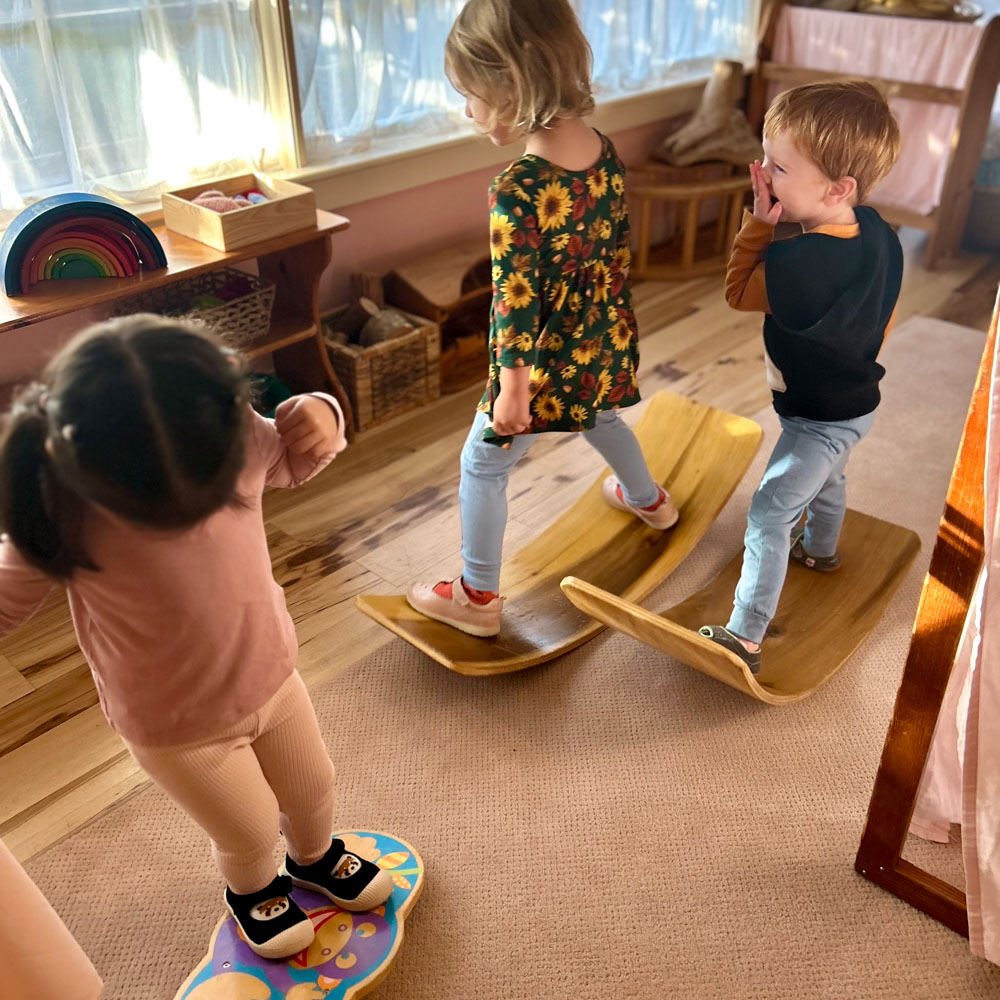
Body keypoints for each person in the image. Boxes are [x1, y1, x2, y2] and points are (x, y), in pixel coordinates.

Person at [0, 315, 393, 959]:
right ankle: (254, 890)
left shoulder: (222, 429)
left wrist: (321, 414)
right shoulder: (59, 499)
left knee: (314, 786)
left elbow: (293, 463)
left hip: (271, 671)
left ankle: (317, 860)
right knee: (248, 828)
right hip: (176, 722)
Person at [407, 0, 678, 638]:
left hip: (538, 363)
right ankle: (650, 502)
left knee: (485, 464)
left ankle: (476, 598)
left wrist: (514, 386)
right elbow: (611, 253)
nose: (467, 111)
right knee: (602, 416)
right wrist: (611, 338)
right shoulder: (605, 153)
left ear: (510, 85)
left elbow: (516, 297)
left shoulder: (518, 187)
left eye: (469, 95)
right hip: (601, 339)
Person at [699, 80, 903, 673]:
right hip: (857, 400)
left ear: (838, 188)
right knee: (829, 479)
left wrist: (759, 226)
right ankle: (821, 551)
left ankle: (745, 635)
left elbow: (738, 292)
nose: (763, 173)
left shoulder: (799, 264)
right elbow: (883, 312)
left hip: (818, 416)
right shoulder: (879, 233)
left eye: (778, 167)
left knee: (767, 511)